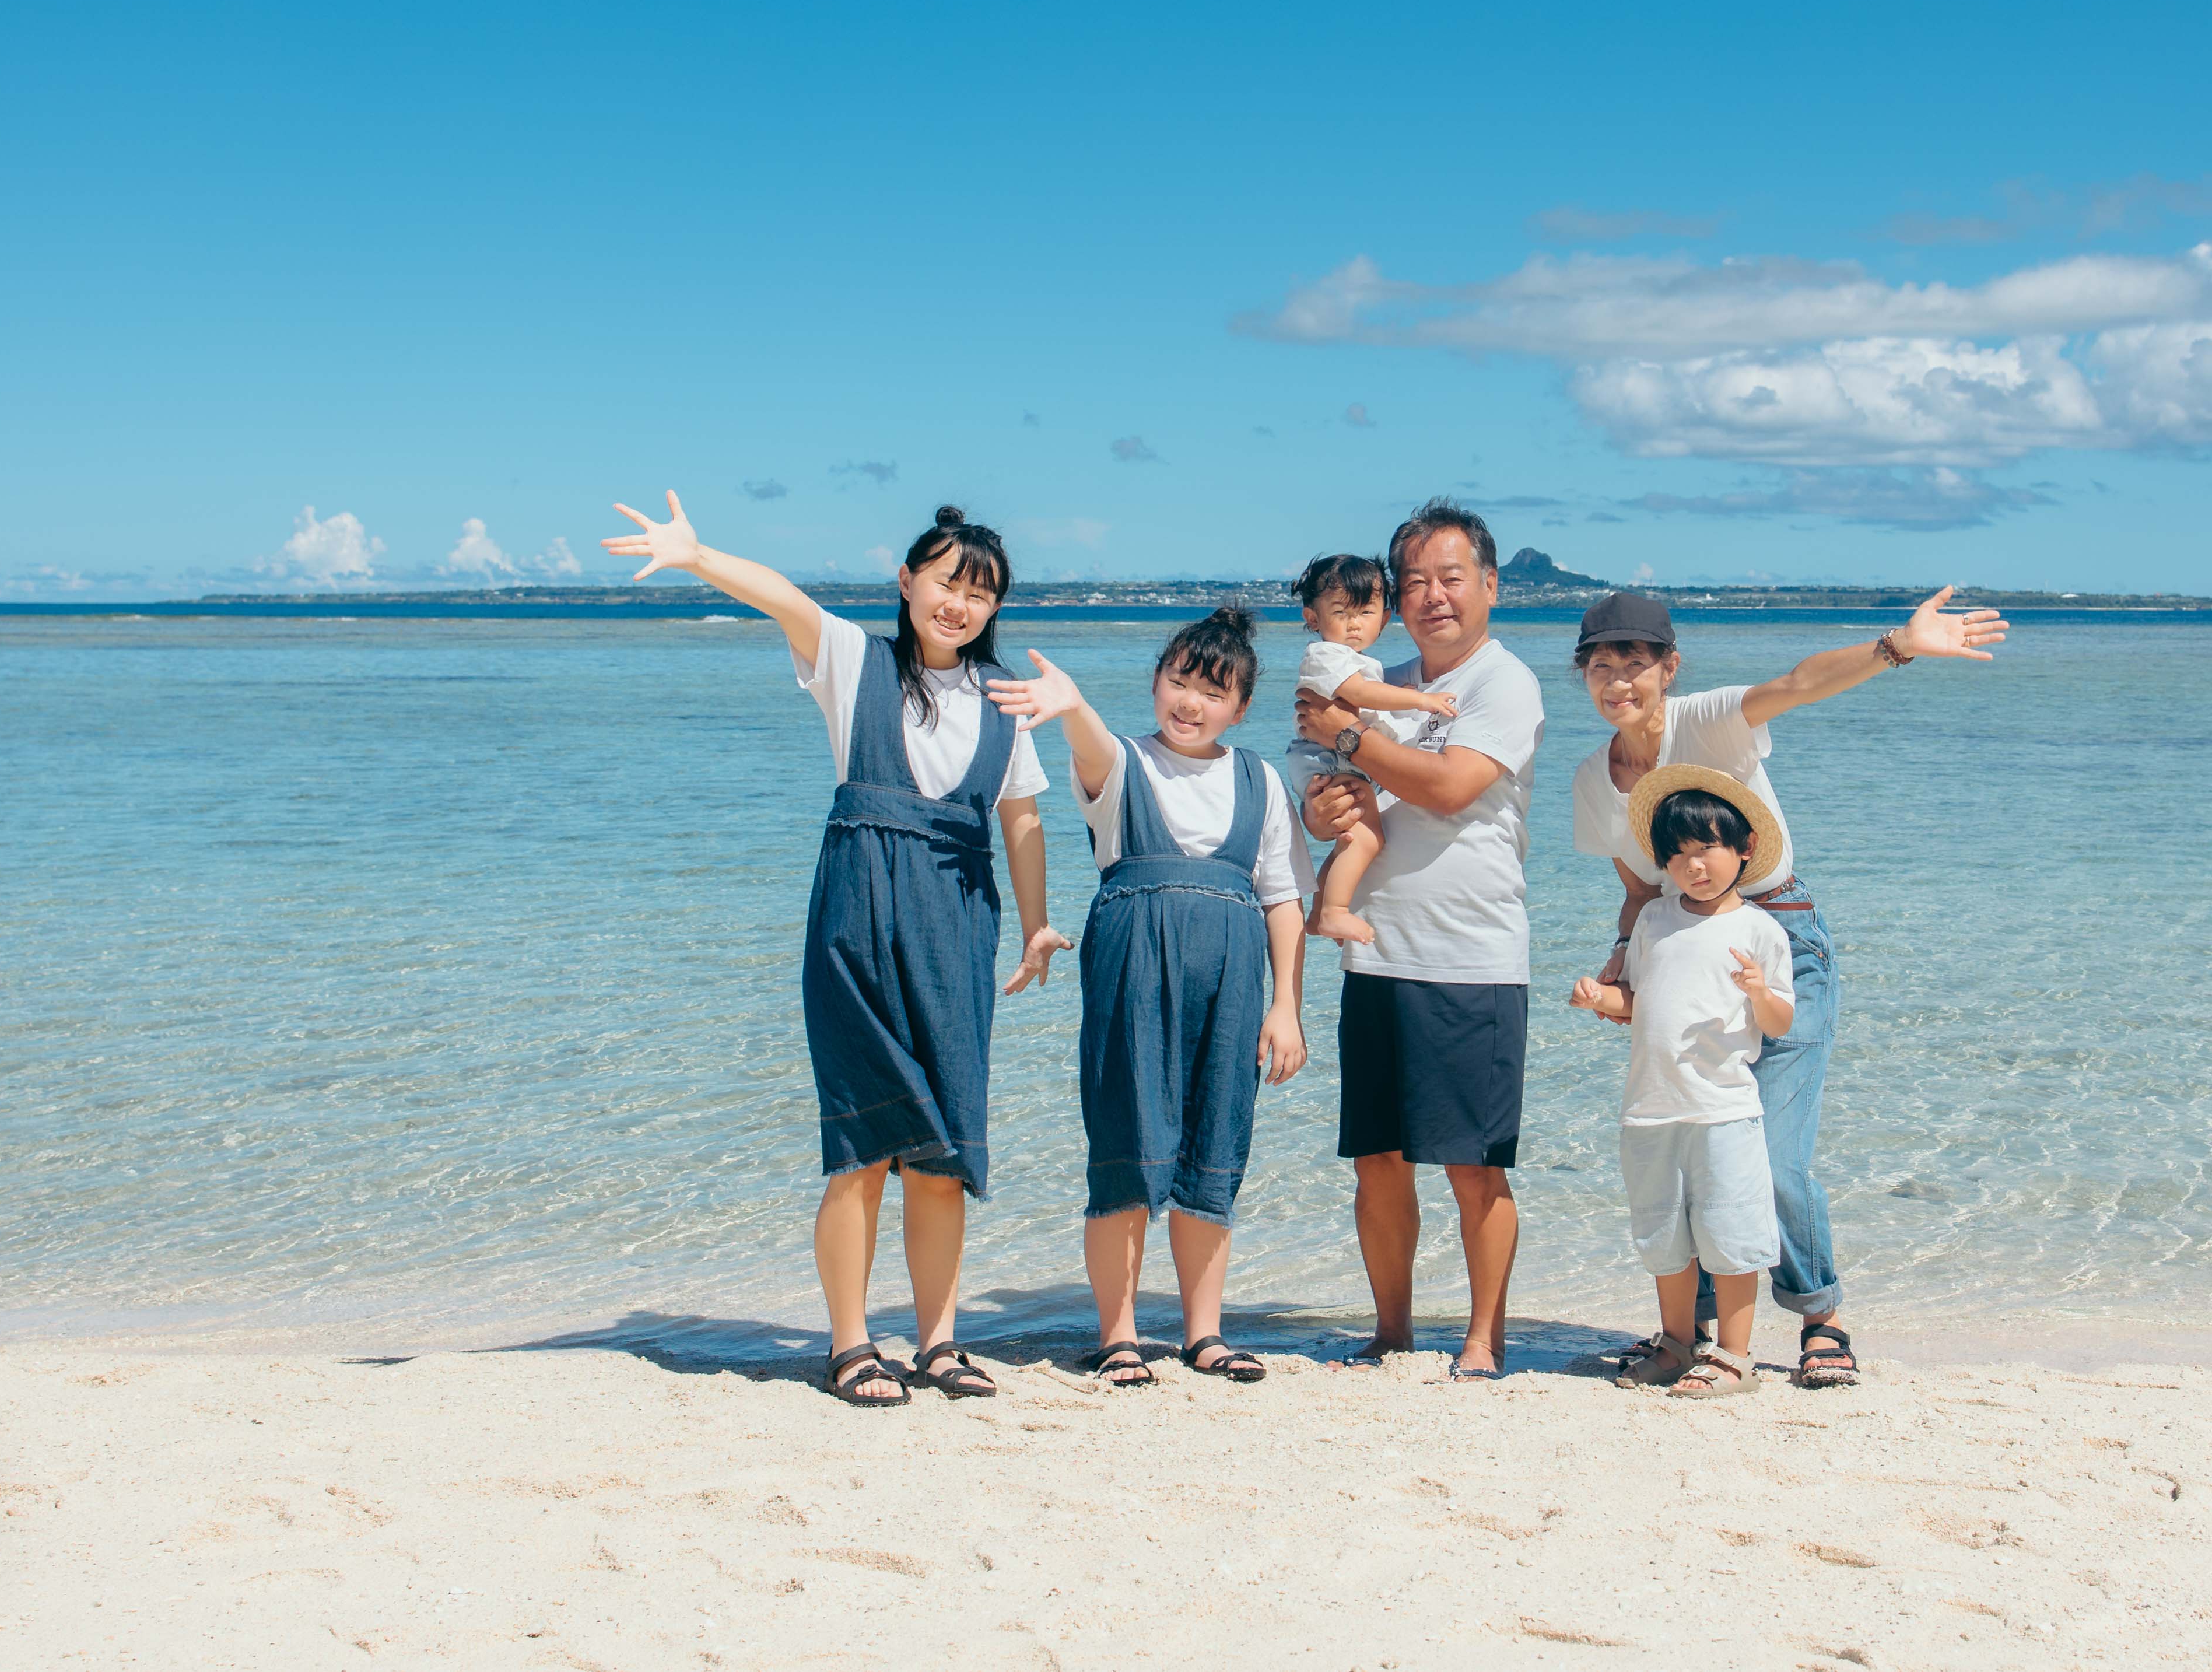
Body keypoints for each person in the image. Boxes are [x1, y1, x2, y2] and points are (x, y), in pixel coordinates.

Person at [603, 495, 1070, 1408]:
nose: (960, 603)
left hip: (956, 924)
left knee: (942, 1152)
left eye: (981, 592)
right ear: (907, 581)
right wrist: (696, 555)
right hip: (856, 918)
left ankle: (938, 1342)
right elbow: (783, 596)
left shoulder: (1005, 698)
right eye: (946, 581)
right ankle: (852, 1344)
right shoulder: (855, 661)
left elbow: (1021, 817)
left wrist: (1035, 922)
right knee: (861, 1143)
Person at [1568, 584, 2006, 1387]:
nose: (1618, 680)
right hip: (1683, 946)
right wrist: (1623, 963)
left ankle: (1819, 1313)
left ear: (1669, 667)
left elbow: (1800, 683)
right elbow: (1639, 888)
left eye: (1635, 663)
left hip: (1779, 933)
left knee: (1767, 1153)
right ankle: (1692, 1330)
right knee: (1693, 1138)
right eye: (1600, 666)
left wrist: (1898, 646)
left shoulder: (1706, 719)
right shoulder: (1594, 780)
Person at [989, 608, 1312, 1390]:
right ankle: (1120, 1335)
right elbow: (1092, 747)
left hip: (1233, 979)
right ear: (1157, 681)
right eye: (1178, 680)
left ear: (1240, 707)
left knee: (1215, 1146)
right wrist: (1072, 705)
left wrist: (1287, 1006)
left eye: (1213, 691)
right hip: (1132, 968)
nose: (1190, 701)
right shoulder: (1124, 763)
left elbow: (1283, 899)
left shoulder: (1261, 781)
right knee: (1127, 1143)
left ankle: (1205, 1334)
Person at [1296, 500, 1546, 1379]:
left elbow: (1446, 786)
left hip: (1472, 956)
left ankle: (1483, 1340)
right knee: (1377, 1160)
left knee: (1473, 1166)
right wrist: (1320, 807)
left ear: (1490, 585)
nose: (1433, 595)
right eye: (1414, 582)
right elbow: (1332, 792)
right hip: (1376, 950)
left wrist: (1349, 735)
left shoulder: (1503, 682)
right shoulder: (1376, 677)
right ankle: (1391, 1331)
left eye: (1451, 577)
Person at [1568, 773, 1796, 1400]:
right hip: (1650, 1107)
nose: (1694, 865)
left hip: (1723, 1108)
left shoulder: (1760, 931)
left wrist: (1758, 991)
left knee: (1731, 1233)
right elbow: (1637, 999)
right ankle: (1675, 1343)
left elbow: (1780, 1021)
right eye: (1678, 854)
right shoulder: (1655, 919)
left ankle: (1735, 1357)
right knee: (1663, 1234)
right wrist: (1600, 998)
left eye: (1707, 849)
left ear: (1745, 847)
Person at [1279, 553, 1460, 948]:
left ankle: (1319, 912)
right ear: (1313, 618)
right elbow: (1359, 693)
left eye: (1365, 612)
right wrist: (1419, 700)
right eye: (1340, 612)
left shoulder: (1358, 660)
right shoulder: (1325, 655)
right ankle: (1335, 911)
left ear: (1385, 617)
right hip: (1329, 758)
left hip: (1332, 757)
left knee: (1350, 840)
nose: (1354, 623)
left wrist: (1397, 696)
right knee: (1367, 839)